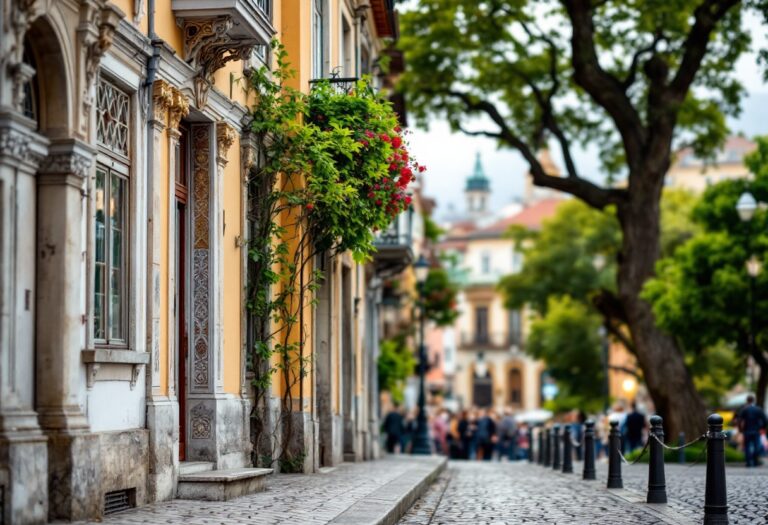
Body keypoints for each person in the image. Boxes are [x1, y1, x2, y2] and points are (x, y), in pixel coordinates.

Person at [737, 395, 767, 467]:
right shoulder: (758, 409)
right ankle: (755, 461)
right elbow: (765, 420)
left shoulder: (744, 409)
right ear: (753, 400)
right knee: (757, 446)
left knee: (747, 446)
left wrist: (740, 429)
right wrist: (762, 427)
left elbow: (739, 420)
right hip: (756, 430)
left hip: (747, 430)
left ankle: (748, 462)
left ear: (747, 401)